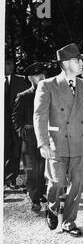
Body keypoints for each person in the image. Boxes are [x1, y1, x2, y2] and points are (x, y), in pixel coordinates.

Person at [34, 43, 83, 237]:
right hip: (57, 143)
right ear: (65, 63)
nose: (81, 63)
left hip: (81, 143)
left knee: (77, 185)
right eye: (77, 60)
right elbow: (39, 116)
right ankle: (52, 207)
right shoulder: (47, 85)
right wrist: (43, 142)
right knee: (56, 182)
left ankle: (70, 221)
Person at [11, 62, 47, 212]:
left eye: (43, 74)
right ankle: (35, 199)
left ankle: (41, 192)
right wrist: (21, 131)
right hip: (30, 137)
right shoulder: (23, 96)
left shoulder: (49, 94)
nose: (42, 77)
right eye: (38, 75)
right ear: (31, 78)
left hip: (46, 136)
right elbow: (15, 116)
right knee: (31, 170)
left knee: (44, 167)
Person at [4, 58, 30, 189]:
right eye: (6, 63)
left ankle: (10, 179)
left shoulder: (21, 80)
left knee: (14, 150)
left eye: (11, 63)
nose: (9, 66)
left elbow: (27, 100)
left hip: (15, 122)